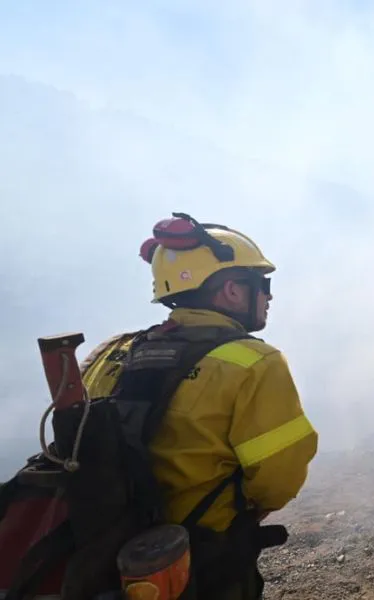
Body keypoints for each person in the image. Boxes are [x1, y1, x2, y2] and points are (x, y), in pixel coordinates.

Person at [80, 213, 319, 599]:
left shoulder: (111, 351)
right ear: (232, 291)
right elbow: (278, 479)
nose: (269, 296)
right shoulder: (255, 363)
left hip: (96, 554)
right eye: (263, 284)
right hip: (203, 559)